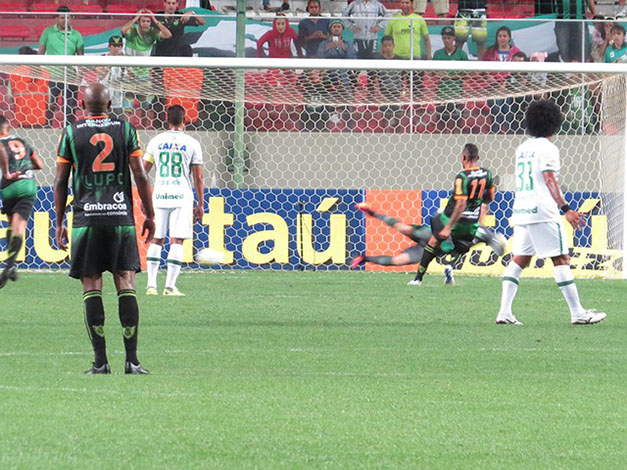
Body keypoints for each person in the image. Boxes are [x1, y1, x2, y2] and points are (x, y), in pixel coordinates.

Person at [54, 83, 156, 374]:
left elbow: (61, 181)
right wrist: (148, 213)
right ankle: (132, 361)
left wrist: (60, 220)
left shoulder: (71, 132)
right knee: (126, 282)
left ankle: (100, 362)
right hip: (120, 218)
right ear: (111, 104)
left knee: (91, 285)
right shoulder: (125, 129)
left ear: (82, 106)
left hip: (87, 220)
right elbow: (140, 175)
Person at [496, 99, 606, 325]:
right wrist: (565, 208)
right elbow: (548, 177)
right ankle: (578, 313)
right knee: (561, 258)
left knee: (520, 259)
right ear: (555, 123)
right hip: (542, 211)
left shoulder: (523, 147)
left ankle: (504, 312)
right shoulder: (549, 148)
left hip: (522, 209)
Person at [351, 202, 506, 286]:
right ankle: (371, 212)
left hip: (431, 250)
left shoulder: (474, 235)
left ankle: (363, 258)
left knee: (398, 261)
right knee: (402, 227)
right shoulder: (470, 224)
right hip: (429, 236)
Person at [409, 143, 496, 285]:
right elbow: (490, 197)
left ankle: (418, 278)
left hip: (456, 220)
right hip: (472, 221)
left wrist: (448, 226)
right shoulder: (487, 174)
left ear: (463, 157)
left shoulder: (462, 176)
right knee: (462, 245)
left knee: (434, 238)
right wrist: (477, 206)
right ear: (478, 157)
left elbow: (461, 204)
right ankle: (451, 266)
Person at [143, 105, 204, 296]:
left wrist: (144, 199)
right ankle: (170, 287)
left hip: (160, 194)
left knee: (156, 238)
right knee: (177, 240)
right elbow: (198, 177)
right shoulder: (192, 143)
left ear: (166, 119)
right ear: (185, 119)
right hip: (181, 196)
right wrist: (201, 203)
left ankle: (151, 285)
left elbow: (143, 171)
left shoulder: (156, 141)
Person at [0, 116, 43, 289]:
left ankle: (10, 264)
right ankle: (11, 265)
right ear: (8, 127)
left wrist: (7, 172)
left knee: (12, 224)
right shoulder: (22, 141)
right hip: (28, 185)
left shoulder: (1, 143)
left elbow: (2, 152)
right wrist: (23, 166)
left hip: (9, 186)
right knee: (19, 226)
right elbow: (39, 164)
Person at [38, 5, 84, 125]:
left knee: (70, 106)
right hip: (51, 75)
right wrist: (38, 72)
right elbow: (40, 53)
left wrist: (80, 75)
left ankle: (70, 130)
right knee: (49, 104)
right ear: (57, 18)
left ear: (71, 18)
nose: (65, 20)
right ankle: (46, 127)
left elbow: (81, 57)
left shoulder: (77, 35)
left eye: (67, 17)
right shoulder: (48, 32)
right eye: (62, 18)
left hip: (69, 76)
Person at [482, 26, 522, 133]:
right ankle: (496, 133)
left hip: (511, 86)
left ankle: (507, 133)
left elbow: (520, 71)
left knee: (507, 108)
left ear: (509, 38)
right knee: (497, 106)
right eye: (500, 36)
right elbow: (483, 70)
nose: (502, 38)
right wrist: (488, 76)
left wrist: (507, 82)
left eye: (505, 36)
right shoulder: (490, 51)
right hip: (493, 87)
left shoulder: (516, 51)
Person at [433, 26, 468, 127]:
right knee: (441, 122)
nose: (446, 41)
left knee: (457, 122)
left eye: (449, 38)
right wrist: (439, 74)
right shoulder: (438, 54)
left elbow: (465, 73)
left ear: (453, 38)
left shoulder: (461, 54)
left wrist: (451, 77)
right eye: (444, 38)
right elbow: (433, 72)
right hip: (441, 93)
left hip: (456, 93)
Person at [375, 36, 404, 129]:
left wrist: (403, 91)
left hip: (397, 92)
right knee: (385, 117)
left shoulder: (400, 60)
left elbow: (404, 77)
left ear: (393, 46)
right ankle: (385, 138)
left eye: (389, 45)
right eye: (385, 46)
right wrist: (377, 92)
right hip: (384, 93)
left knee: (398, 117)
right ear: (382, 47)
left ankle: (399, 138)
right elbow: (375, 77)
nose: (388, 48)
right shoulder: (379, 60)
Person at [97, 35, 125, 118]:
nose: (117, 48)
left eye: (119, 46)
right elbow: (101, 75)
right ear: (109, 46)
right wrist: (111, 62)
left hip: (117, 98)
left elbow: (131, 76)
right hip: (104, 96)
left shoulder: (124, 60)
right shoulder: (102, 58)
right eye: (114, 46)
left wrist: (125, 64)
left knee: (118, 121)